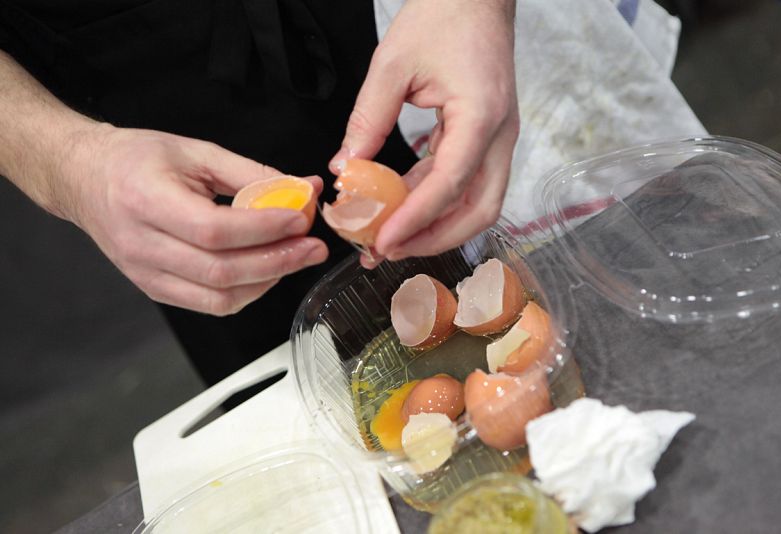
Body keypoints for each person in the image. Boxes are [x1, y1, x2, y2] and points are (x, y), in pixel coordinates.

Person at [0, 0, 519, 385]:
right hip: (136, 88)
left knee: (503, 285)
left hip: (398, 30)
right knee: (289, 390)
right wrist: (70, 160)